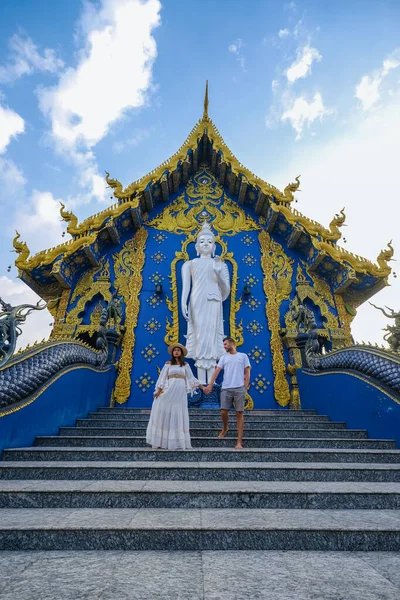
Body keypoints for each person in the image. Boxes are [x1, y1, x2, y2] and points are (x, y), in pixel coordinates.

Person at [181, 222, 230, 384]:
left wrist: (218, 272)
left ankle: (212, 383)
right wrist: (183, 303)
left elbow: (226, 291)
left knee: (211, 337)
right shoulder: (189, 264)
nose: (206, 244)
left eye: (209, 242)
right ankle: (201, 381)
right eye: (202, 242)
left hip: (214, 301)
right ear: (196, 246)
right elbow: (186, 288)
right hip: (197, 301)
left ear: (214, 246)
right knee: (200, 337)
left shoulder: (221, 265)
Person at [146, 343, 201, 450]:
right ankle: (162, 440)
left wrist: (202, 387)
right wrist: (158, 391)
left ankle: (177, 441)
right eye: (174, 350)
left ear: (181, 353)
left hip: (180, 392)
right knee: (165, 410)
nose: (176, 351)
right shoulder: (168, 364)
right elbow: (162, 378)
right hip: (170, 389)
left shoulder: (185, 365)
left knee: (178, 413)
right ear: (172, 352)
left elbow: (191, 378)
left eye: (178, 350)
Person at [203, 337, 251, 449]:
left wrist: (245, 386)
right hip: (226, 387)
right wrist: (210, 385)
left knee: (239, 413)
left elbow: (247, 371)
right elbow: (216, 371)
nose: (224, 346)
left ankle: (239, 441)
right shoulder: (224, 358)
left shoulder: (243, 356)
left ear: (232, 344)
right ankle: (225, 428)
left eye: (225, 344)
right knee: (223, 411)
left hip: (239, 388)